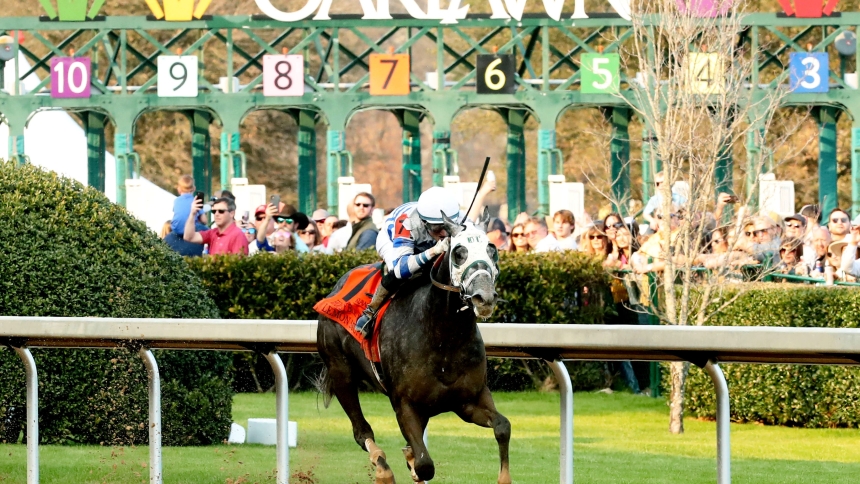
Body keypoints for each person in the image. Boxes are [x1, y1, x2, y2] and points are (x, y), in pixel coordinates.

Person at [354, 186, 459, 337]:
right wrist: (433, 251)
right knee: (398, 273)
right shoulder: (407, 221)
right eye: (438, 227)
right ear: (424, 222)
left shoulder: (458, 216)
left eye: (447, 227)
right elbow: (400, 268)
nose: (443, 232)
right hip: (391, 240)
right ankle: (370, 313)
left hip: (425, 241)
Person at [184, 197, 249, 255]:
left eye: (221, 211)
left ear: (232, 213)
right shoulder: (212, 233)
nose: (216, 214)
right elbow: (189, 237)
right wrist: (192, 213)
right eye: (214, 211)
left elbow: (238, 266)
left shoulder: (238, 236)